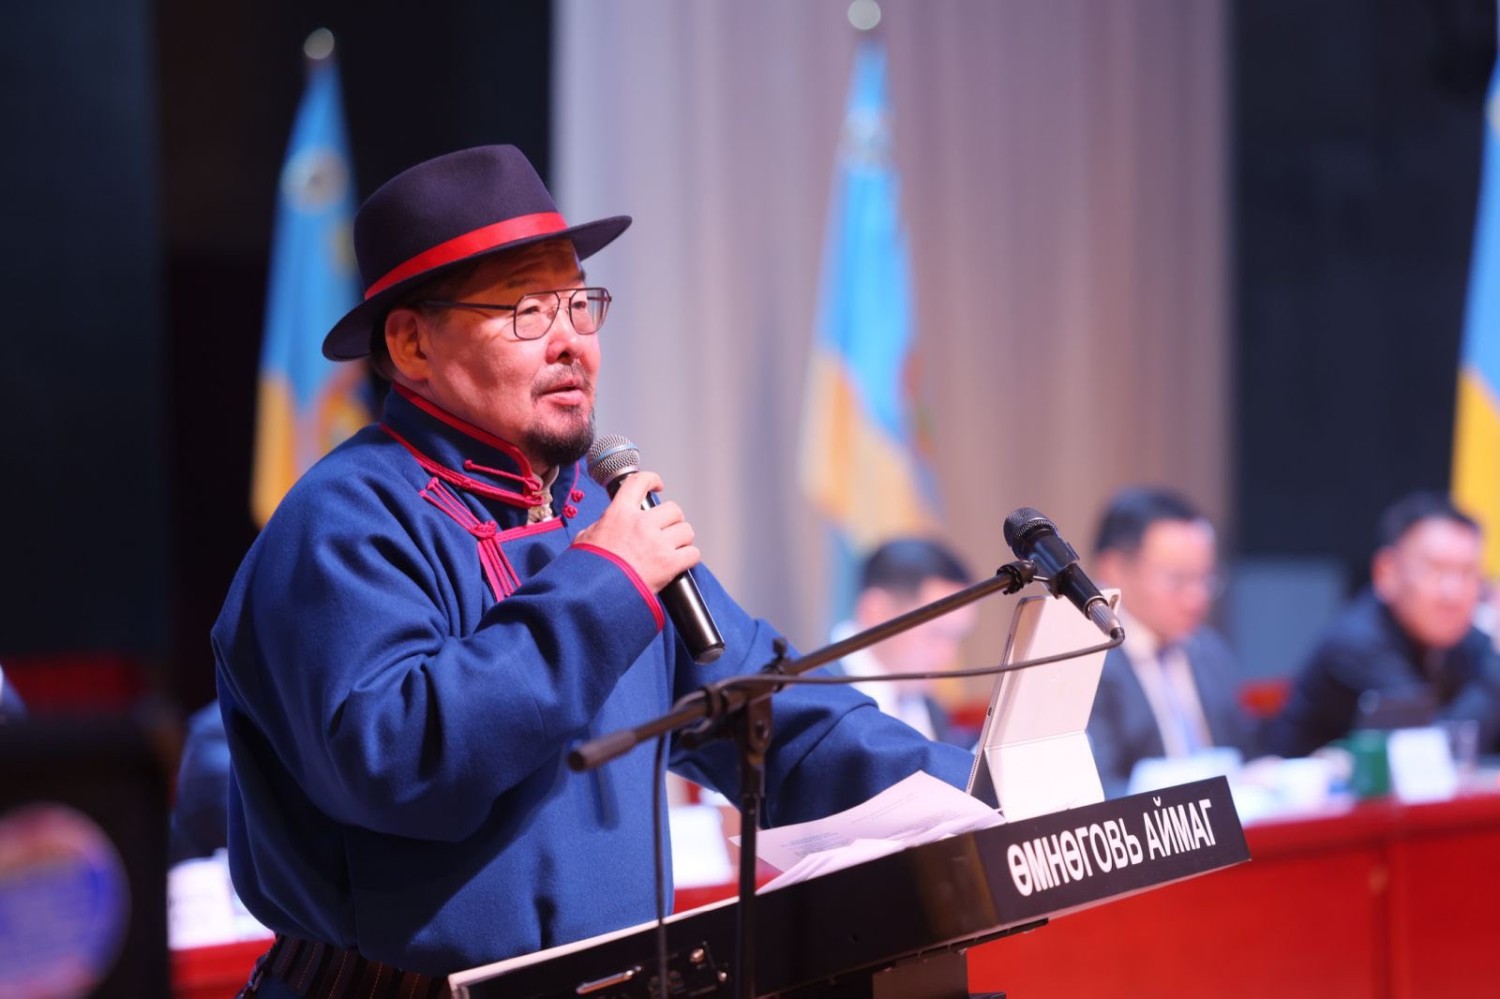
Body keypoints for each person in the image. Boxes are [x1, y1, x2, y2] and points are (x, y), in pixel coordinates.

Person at [212, 144, 973, 993]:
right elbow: (401, 761)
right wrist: (605, 585)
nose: (572, 341)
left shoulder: (591, 509)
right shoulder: (343, 519)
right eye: (527, 310)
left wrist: (978, 789)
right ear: (412, 343)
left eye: (580, 303)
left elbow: (769, 712)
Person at [1264, 491, 1500, 758]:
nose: (1453, 593)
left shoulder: (1461, 640)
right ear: (1386, 572)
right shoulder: (1356, 644)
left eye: (1467, 572)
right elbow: (1430, 755)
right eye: (1436, 569)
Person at [1085, 487, 1257, 796]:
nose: (1196, 598)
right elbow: (1096, 791)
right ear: (1114, 569)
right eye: (1177, 579)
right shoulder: (1084, 664)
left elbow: (1245, 758)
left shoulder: (1210, 651)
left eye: (1205, 579)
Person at [823, 537, 979, 746]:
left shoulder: (931, 708)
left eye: (956, 637)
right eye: (937, 633)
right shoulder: (818, 699)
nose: (948, 655)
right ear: (876, 612)